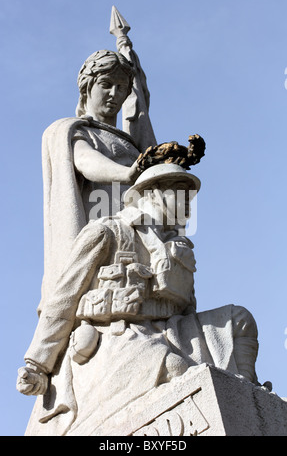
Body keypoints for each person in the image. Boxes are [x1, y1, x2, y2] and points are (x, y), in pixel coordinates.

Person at [17, 163, 259, 436]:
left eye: (190, 197)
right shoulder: (108, 231)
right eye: (179, 193)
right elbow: (63, 299)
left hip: (172, 330)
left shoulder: (178, 248)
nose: (189, 204)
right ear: (152, 193)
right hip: (119, 336)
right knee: (174, 367)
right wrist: (37, 365)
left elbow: (188, 307)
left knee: (239, 321)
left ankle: (247, 394)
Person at [39, 49, 155, 313]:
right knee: (66, 304)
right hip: (101, 239)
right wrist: (127, 173)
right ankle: (44, 347)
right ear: (87, 88)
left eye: (121, 87)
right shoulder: (75, 131)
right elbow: (86, 161)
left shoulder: (131, 145)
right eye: (106, 85)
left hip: (137, 237)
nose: (114, 94)